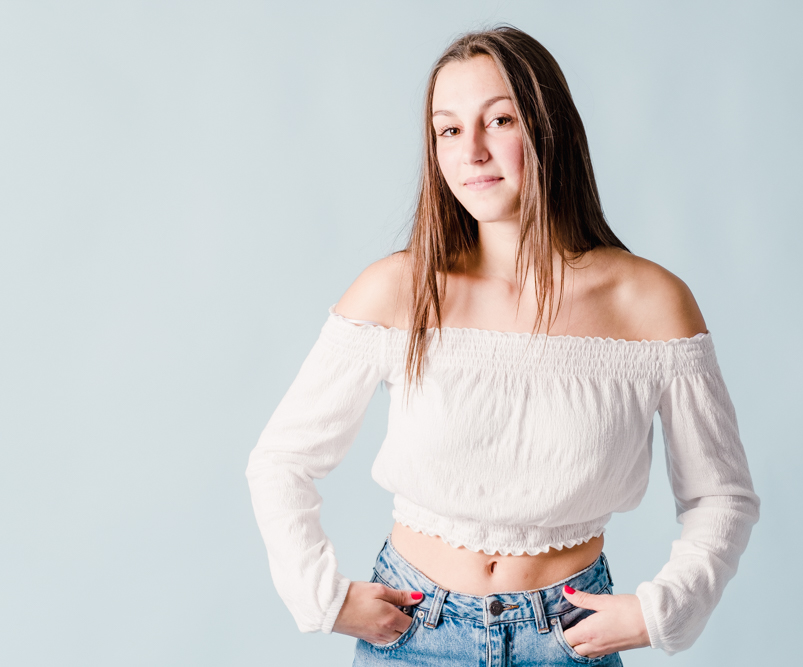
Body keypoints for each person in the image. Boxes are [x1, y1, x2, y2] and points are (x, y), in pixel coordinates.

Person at [246, 26, 759, 665]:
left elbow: (721, 494)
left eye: (500, 120)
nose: (472, 152)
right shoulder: (400, 290)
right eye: (449, 130)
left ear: (549, 128)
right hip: (414, 633)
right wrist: (322, 597)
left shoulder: (650, 302)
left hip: (569, 638)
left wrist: (664, 611)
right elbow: (281, 460)